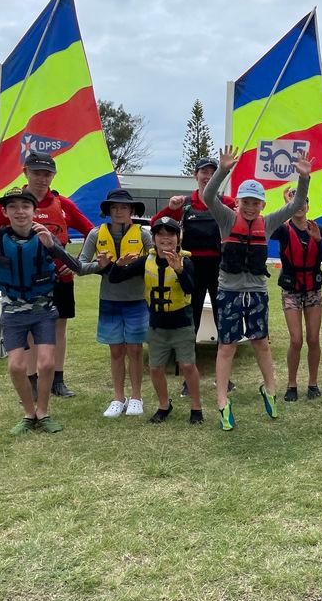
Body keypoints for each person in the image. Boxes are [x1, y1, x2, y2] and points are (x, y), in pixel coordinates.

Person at [0, 188, 82, 435]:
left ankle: (44, 412)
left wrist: (54, 246)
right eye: (13, 207)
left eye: (25, 206)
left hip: (43, 311)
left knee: (47, 363)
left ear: (34, 211)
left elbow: (76, 266)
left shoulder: (44, 236)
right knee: (16, 367)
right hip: (13, 314)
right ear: (5, 212)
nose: (19, 211)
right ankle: (29, 414)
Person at [201, 145, 312, 431]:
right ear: (238, 203)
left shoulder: (269, 221)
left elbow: (297, 202)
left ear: (262, 205)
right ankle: (223, 401)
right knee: (227, 347)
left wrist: (304, 177)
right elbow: (208, 196)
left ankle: (270, 389)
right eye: (246, 202)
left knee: (261, 342)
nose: (251, 207)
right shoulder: (226, 219)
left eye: (256, 203)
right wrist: (224, 170)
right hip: (229, 291)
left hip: (258, 292)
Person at [0, 150, 94, 398]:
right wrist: (4, 262)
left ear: (53, 176)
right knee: (28, 330)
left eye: (47, 174)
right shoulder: (10, 204)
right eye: (37, 173)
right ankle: (32, 381)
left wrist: (74, 262)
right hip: (24, 282)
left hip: (59, 278)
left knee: (59, 328)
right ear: (25, 172)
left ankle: (58, 380)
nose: (42, 178)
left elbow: (92, 233)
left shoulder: (63, 204)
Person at [153, 157, 238, 395]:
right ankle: (188, 380)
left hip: (220, 269)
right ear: (196, 175)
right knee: (192, 323)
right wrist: (170, 207)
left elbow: (244, 220)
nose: (208, 175)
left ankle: (225, 379)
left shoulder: (226, 202)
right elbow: (155, 224)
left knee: (224, 322)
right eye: (204, 172)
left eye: (212, 171)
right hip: (190, 268)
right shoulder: (185, 204)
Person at [108, 217, 203, 424]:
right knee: (155, 367)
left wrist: (178, 270)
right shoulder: (145, 261)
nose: (165, 238)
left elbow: (190, 289)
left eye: (170, 234)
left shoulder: (186, 262)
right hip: (157, 325)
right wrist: (118, 264)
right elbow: (116, 278)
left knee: (187, 365)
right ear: (153, 238)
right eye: (160, 234)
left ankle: (196, 407)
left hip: (182, 324)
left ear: (179, 238)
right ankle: (163, 405)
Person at [78, 189, 153, 418]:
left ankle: (137, 397)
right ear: (108, 210)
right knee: (116, 350)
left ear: (131, 210)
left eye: (123, 207)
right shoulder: (95, 234)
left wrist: (130, 267)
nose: (119, 211)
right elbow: (80, 266)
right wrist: (102, 267)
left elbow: (152, 263)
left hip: (137, 299)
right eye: (114, 207)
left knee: (135, 350)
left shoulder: (143, 235)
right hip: (110, 300)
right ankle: (118, 398)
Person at [270, 187, 322, 401]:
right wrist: (285, 208)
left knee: (313, 339)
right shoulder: (284, 230)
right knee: (296, 340)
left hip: (313, 289)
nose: (299, 207)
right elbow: (268, 228)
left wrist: (317, 239)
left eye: (302, 202)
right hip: (291, 289)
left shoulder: (320, 229)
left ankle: (313, 383)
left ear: (308, 206)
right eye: (294, 203)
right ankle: (291, 384)